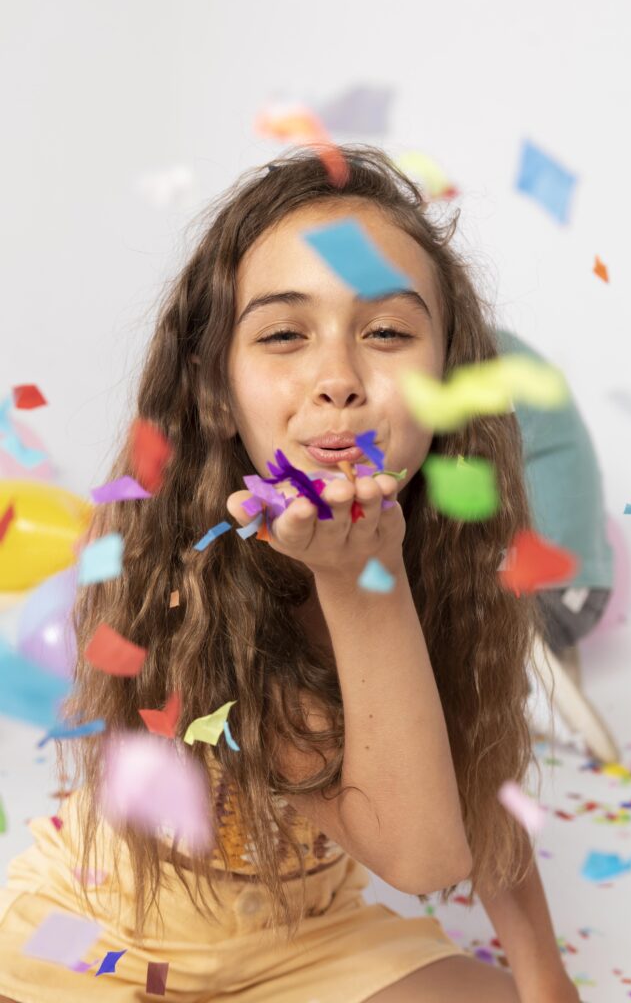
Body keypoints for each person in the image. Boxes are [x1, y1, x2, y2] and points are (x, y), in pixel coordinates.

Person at [0, 147, 583, 1002]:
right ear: (217, 389)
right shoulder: (183, 585)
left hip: (302, 931)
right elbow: (421, 857)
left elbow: (476, 784)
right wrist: (360, 576)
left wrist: (543, 979)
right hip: (108, 937)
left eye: (386, 332)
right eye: (282, 335)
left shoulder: (451, 556)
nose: (338, 380)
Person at [496, 331, 620, 765]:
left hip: (549, 597)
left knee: (441, 588)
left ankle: (488, 721)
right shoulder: (520, 364)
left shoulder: (480, 359)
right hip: (589, 588)